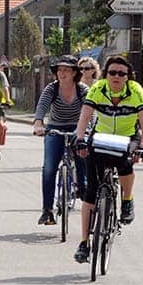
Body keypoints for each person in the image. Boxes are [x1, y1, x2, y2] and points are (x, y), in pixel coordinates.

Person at [72, 55, 143, 263]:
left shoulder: (135, 91)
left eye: (121, 73)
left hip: (127, 136)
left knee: (127, 162)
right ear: (106, 74)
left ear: (128, 77)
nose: (116, 76)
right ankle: (84, 243)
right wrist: (80, 138)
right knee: (90, 193)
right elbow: (85, 115)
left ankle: (127, 200)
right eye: (112, 72)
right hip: (101, 136)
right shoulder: (98, 89)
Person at [33, 55, 89, 226]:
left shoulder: (82, 90)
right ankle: (47, 210)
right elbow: (42, 107)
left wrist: (86, 130)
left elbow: (89, 111)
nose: (61, 73)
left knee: (82, 155)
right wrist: (38, 123)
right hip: (55, 128)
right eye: (59, 70)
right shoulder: (52, 88)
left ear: (74, 73)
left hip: (77, 128)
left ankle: (82, 187)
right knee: (49, 167)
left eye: (66, 70)